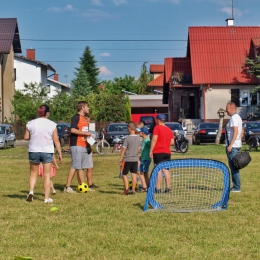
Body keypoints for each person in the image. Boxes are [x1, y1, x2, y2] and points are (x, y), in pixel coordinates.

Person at [24, 104, 62, 203]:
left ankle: (31, 191)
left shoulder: (30, 123)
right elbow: (56, 140)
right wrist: (59, 153)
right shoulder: (52, 124)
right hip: (47, 151)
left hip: (33, 150)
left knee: (33, 173)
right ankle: (46, 198)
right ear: (48, 113)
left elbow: (26, 137)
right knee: (47, 175)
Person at [63, 101, 96, 193]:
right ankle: (67, 187)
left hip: (83, 145)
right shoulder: (76, 117)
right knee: (75, 165)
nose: (88, 108)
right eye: (87, 107)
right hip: (76, 144)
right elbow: (73, 130)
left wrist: (88, 136)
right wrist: (86, 133)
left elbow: (83, 131)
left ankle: (83, 185)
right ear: (82, 108)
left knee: (81, 167)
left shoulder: (84, 119)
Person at [149, 114, 174, 193]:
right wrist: (165, 144)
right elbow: (172, 142)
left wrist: (151, 150)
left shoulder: (157, 128)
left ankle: (158, 188)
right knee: (166, 170)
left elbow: (154, 139)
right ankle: (168, 188)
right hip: (167, 152)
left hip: (158, 151)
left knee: (158, 170)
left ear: (158, 120)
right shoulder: (169, 129)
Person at [75, 114, 98, 190]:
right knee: (81, 168)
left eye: (89, 121)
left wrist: (91, 149)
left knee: (90, 167)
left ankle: (90, 184)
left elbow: (89, 141)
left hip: (88, 149)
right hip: (81, 148)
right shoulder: (79, 129)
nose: (88, 123)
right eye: (86, 121)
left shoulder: (87, 129)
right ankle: (81, 184)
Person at [119, 121, 141, 195]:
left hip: (127, 159)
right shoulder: (138, 138)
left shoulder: (127, 138)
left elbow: (123, 149)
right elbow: (138, 149)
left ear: (129, 128)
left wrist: (120, 159)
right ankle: (133, 190)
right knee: (134, 174)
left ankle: (126, 189)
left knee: (124, 174)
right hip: (135, 159)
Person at [226, 102, 243, 192]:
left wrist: (231, 145)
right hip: (236, 144)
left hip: (233, 146)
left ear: (232, 108)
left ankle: (237, 187)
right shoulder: (238, 117)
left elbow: (235, 131)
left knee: (234, 166)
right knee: (234, 166)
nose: (226, 111)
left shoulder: (233, 118)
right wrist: (240, 139)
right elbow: (242, 129)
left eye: (227, 108)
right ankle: (236, 186)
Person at [137, 127, 151, 192]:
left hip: (146, 159)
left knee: (140, 172)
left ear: (142, 133)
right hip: (143, 158)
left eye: (139, 132)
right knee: (145, 173)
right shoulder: (143, 140)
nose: (138, 133)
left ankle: (144, 187)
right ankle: (148, 186)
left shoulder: (147, 141)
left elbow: (152, 146)